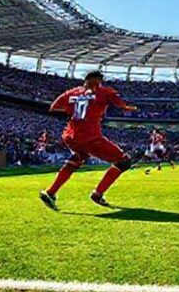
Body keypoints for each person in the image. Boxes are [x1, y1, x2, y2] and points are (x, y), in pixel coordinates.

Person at [40, 71, 137, 210]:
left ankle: (50, 192)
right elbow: (122, 105)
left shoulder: (71, 92)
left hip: (70, 135)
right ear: (99, 80)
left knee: (79, 157)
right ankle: (97, 194)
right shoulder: (104, 91)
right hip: (90, 137)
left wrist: (73, 110)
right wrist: (127, 107)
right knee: (124, 161)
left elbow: (53, 107)